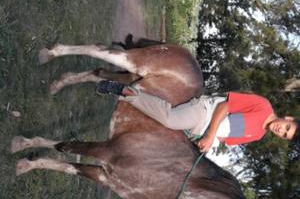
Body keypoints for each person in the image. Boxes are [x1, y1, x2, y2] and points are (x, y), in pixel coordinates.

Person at [96, 81, 299, 153]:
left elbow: (224, 139)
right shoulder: (263, 106)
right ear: (288, 118)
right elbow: (224, 106)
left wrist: (208, 143)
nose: (281, 131)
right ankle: (127, 92)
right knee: (170, 120)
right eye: (286, 128)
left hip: (203, 133)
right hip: (205, 112)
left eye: (284, 135)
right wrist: (210, 136)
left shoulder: (257, 136)